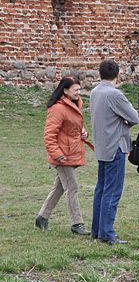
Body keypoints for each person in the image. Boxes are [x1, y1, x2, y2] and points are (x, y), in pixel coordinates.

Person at [89, 59, 139, 244]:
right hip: (115, 146)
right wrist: (125, 120)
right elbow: (134, 117)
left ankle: (97, 229)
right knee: (112, 190)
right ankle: (107, 232)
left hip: (102, 145)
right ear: (118, 75)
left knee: (101, 189)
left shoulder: (94, 92)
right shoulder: (115, 94)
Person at [36, 75, 91, 235]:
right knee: (72, 188)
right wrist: (56, 154)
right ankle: (77, 223)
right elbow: (49, 135)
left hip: (71, 152)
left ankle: (42, 217)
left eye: (79, 89)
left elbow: (74, 126)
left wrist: (83, 132)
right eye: (75, 90)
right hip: (62, 156)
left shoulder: (75, 104)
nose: (78, 93)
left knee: (59, 188)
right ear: (65, 90)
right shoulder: (58, 109)